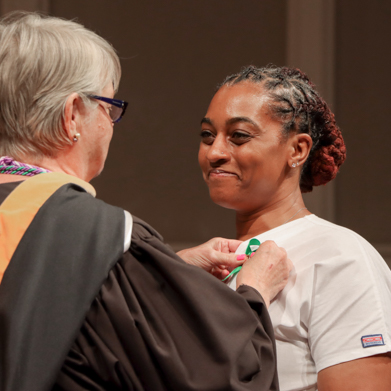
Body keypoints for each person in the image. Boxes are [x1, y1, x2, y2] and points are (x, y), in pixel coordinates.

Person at [0, 13, 293, 391]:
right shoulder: (92, 235)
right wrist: (252, 294)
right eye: (107, 107)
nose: (109, 125)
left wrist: (165, 272)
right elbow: (223, 377)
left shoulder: (59, 235)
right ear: (72, 114)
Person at [198, 65, 391, 391]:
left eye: (239, 136)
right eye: (206, 135)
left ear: (297, 150)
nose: (215, 152)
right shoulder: (204, 266)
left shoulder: (339, 258)